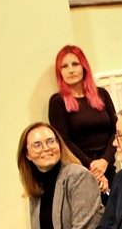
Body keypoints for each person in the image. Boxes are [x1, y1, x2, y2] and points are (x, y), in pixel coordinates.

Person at [47, 45, 118, 192]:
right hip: (80, 168)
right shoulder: (57, 102)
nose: (71, 70)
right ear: (59, 72)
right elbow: (64, 141)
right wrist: (93, 168)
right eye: (64, 66)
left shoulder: (102, 94)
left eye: (75, 64)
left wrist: (105, 160)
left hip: (107, 164)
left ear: (84, 67)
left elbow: (116, 130)